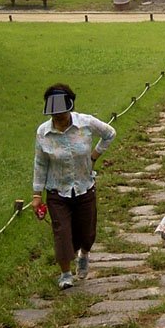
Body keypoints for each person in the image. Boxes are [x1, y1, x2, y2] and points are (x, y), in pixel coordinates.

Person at [32, 84, 116, 289]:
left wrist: (94, 155)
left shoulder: (85, 123)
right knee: (62, 232)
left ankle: (84, 253)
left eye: (62, 114)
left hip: (84, 186)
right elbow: (40, 163)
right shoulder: (43, 133)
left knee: (86, 232)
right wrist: (36, 194)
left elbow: (110, 133)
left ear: (70, 108)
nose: (58, 119)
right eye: (54, 116)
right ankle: (65, 273)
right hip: (57, 190)